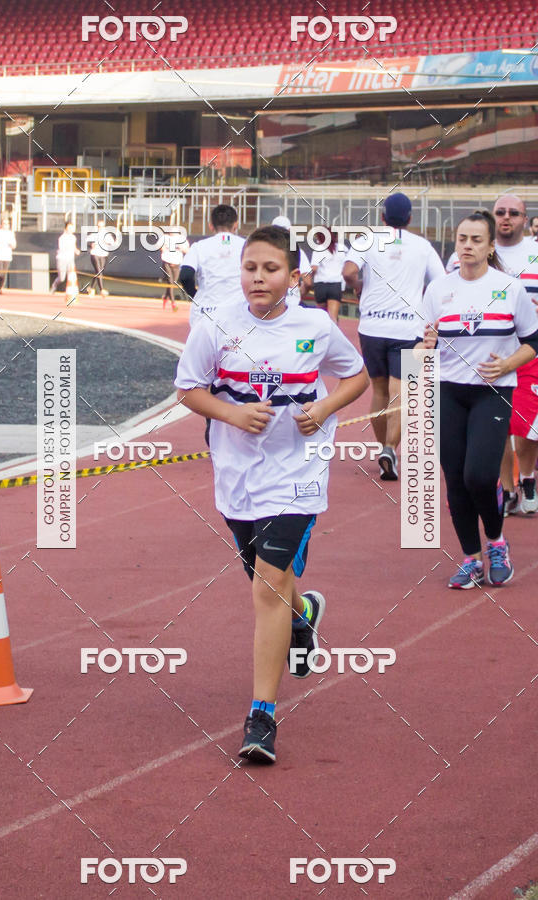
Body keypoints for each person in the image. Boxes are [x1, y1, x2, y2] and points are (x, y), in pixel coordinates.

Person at [175, 225, 368, 763]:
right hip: (237, 474)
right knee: (271, 585)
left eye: (270, 269)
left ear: (294, 277)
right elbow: (188, 387)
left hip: (298, 474)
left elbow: (356, 377)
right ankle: (304, 613)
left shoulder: (315, 326)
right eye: (250, 268)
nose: (258, 278)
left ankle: (261, 717)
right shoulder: (215, 324)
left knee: (266, 586)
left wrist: (325, 409)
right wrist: (232, 412)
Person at [418, 210, 538, 589]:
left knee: (480, 475)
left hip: (492, 392)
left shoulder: (509, 288)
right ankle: (471, 558)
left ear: (489, 247)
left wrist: (507, 364)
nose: (467, 246)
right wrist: (426, 346)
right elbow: (420, 348)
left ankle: (497, 542)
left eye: (475, 240)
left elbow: (533, 342)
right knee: (454, 479)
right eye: (462, 239)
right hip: (448, 392)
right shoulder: (439, 289)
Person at [343, 192, 444, 481]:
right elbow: (439, 282)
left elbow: (348, 271)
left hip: (373, 327)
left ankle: (384, 449)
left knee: (379, 390)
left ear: (382, 217)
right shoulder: (422, 246)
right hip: (408, 328)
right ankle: (389, 447)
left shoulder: (368, 238)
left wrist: (360, 285)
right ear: (410, 218)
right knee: (402, 393)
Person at [450, 195, 538, 515]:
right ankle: (509, 488)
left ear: (525, 220)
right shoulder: (469, 253)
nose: (506, 218)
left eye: (514, 213)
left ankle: (527, 477)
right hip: (487, 353)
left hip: (529, 351)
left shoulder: (535, 253)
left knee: (527, 426)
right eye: (500, 212)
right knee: (496, 425)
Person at [179, 204, 245, 329]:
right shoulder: (247, 246)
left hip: (206, 311)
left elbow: (185, 275)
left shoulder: (199, 247)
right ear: (236, 225)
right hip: (237, 312)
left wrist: (194, 295)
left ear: (211, 225)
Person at [271, 216, 312, 307]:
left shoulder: (263, 251)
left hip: (269, 304)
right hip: (292, 303)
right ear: (289, 231)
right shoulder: (298, 252)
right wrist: (299, 293)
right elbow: (308, 282)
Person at [310, 229, 347, 324]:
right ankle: (333, 337)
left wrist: (310, 277)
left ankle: (321, 337)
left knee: (321, 316)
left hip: (321, 285)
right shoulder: (342, 248)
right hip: (335, 284)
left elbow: (314, 268)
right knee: (333, 318)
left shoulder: (319, 249)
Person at [160, 228, 190, 311]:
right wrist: (163, 248)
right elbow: (160, 246)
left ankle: (165, 297)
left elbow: (187, 250)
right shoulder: (165, 238)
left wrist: (183, 249)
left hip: (177, 263)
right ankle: (173, 303)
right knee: (170, 282)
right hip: (167, 262)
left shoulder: (182, 239)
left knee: (173, 283)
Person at [50, 221, 80, 293]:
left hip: (70, 259)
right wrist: (70, 248)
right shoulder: (62, 238)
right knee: (62, 278)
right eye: (69, 228)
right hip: (62, 259)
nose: (71, 229)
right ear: (66, 228)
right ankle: (54, 285)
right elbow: (62, 248)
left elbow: (74, 247)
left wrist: (76, 250)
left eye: (72, 228)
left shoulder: (73, 237)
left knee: (72, 275)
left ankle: (72, 291)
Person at [88, 220, 109, 297]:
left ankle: (91, 288)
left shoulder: (107, 235)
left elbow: (113, 243)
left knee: (99, 272)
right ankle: (101, 290)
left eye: (101, 226)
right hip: (95, 254)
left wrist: (107, 243)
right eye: (99, 226)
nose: (100, 228)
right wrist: (91, 244)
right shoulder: (94, 234)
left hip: (103, 255)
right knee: (99, 271)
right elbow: (86, 241)